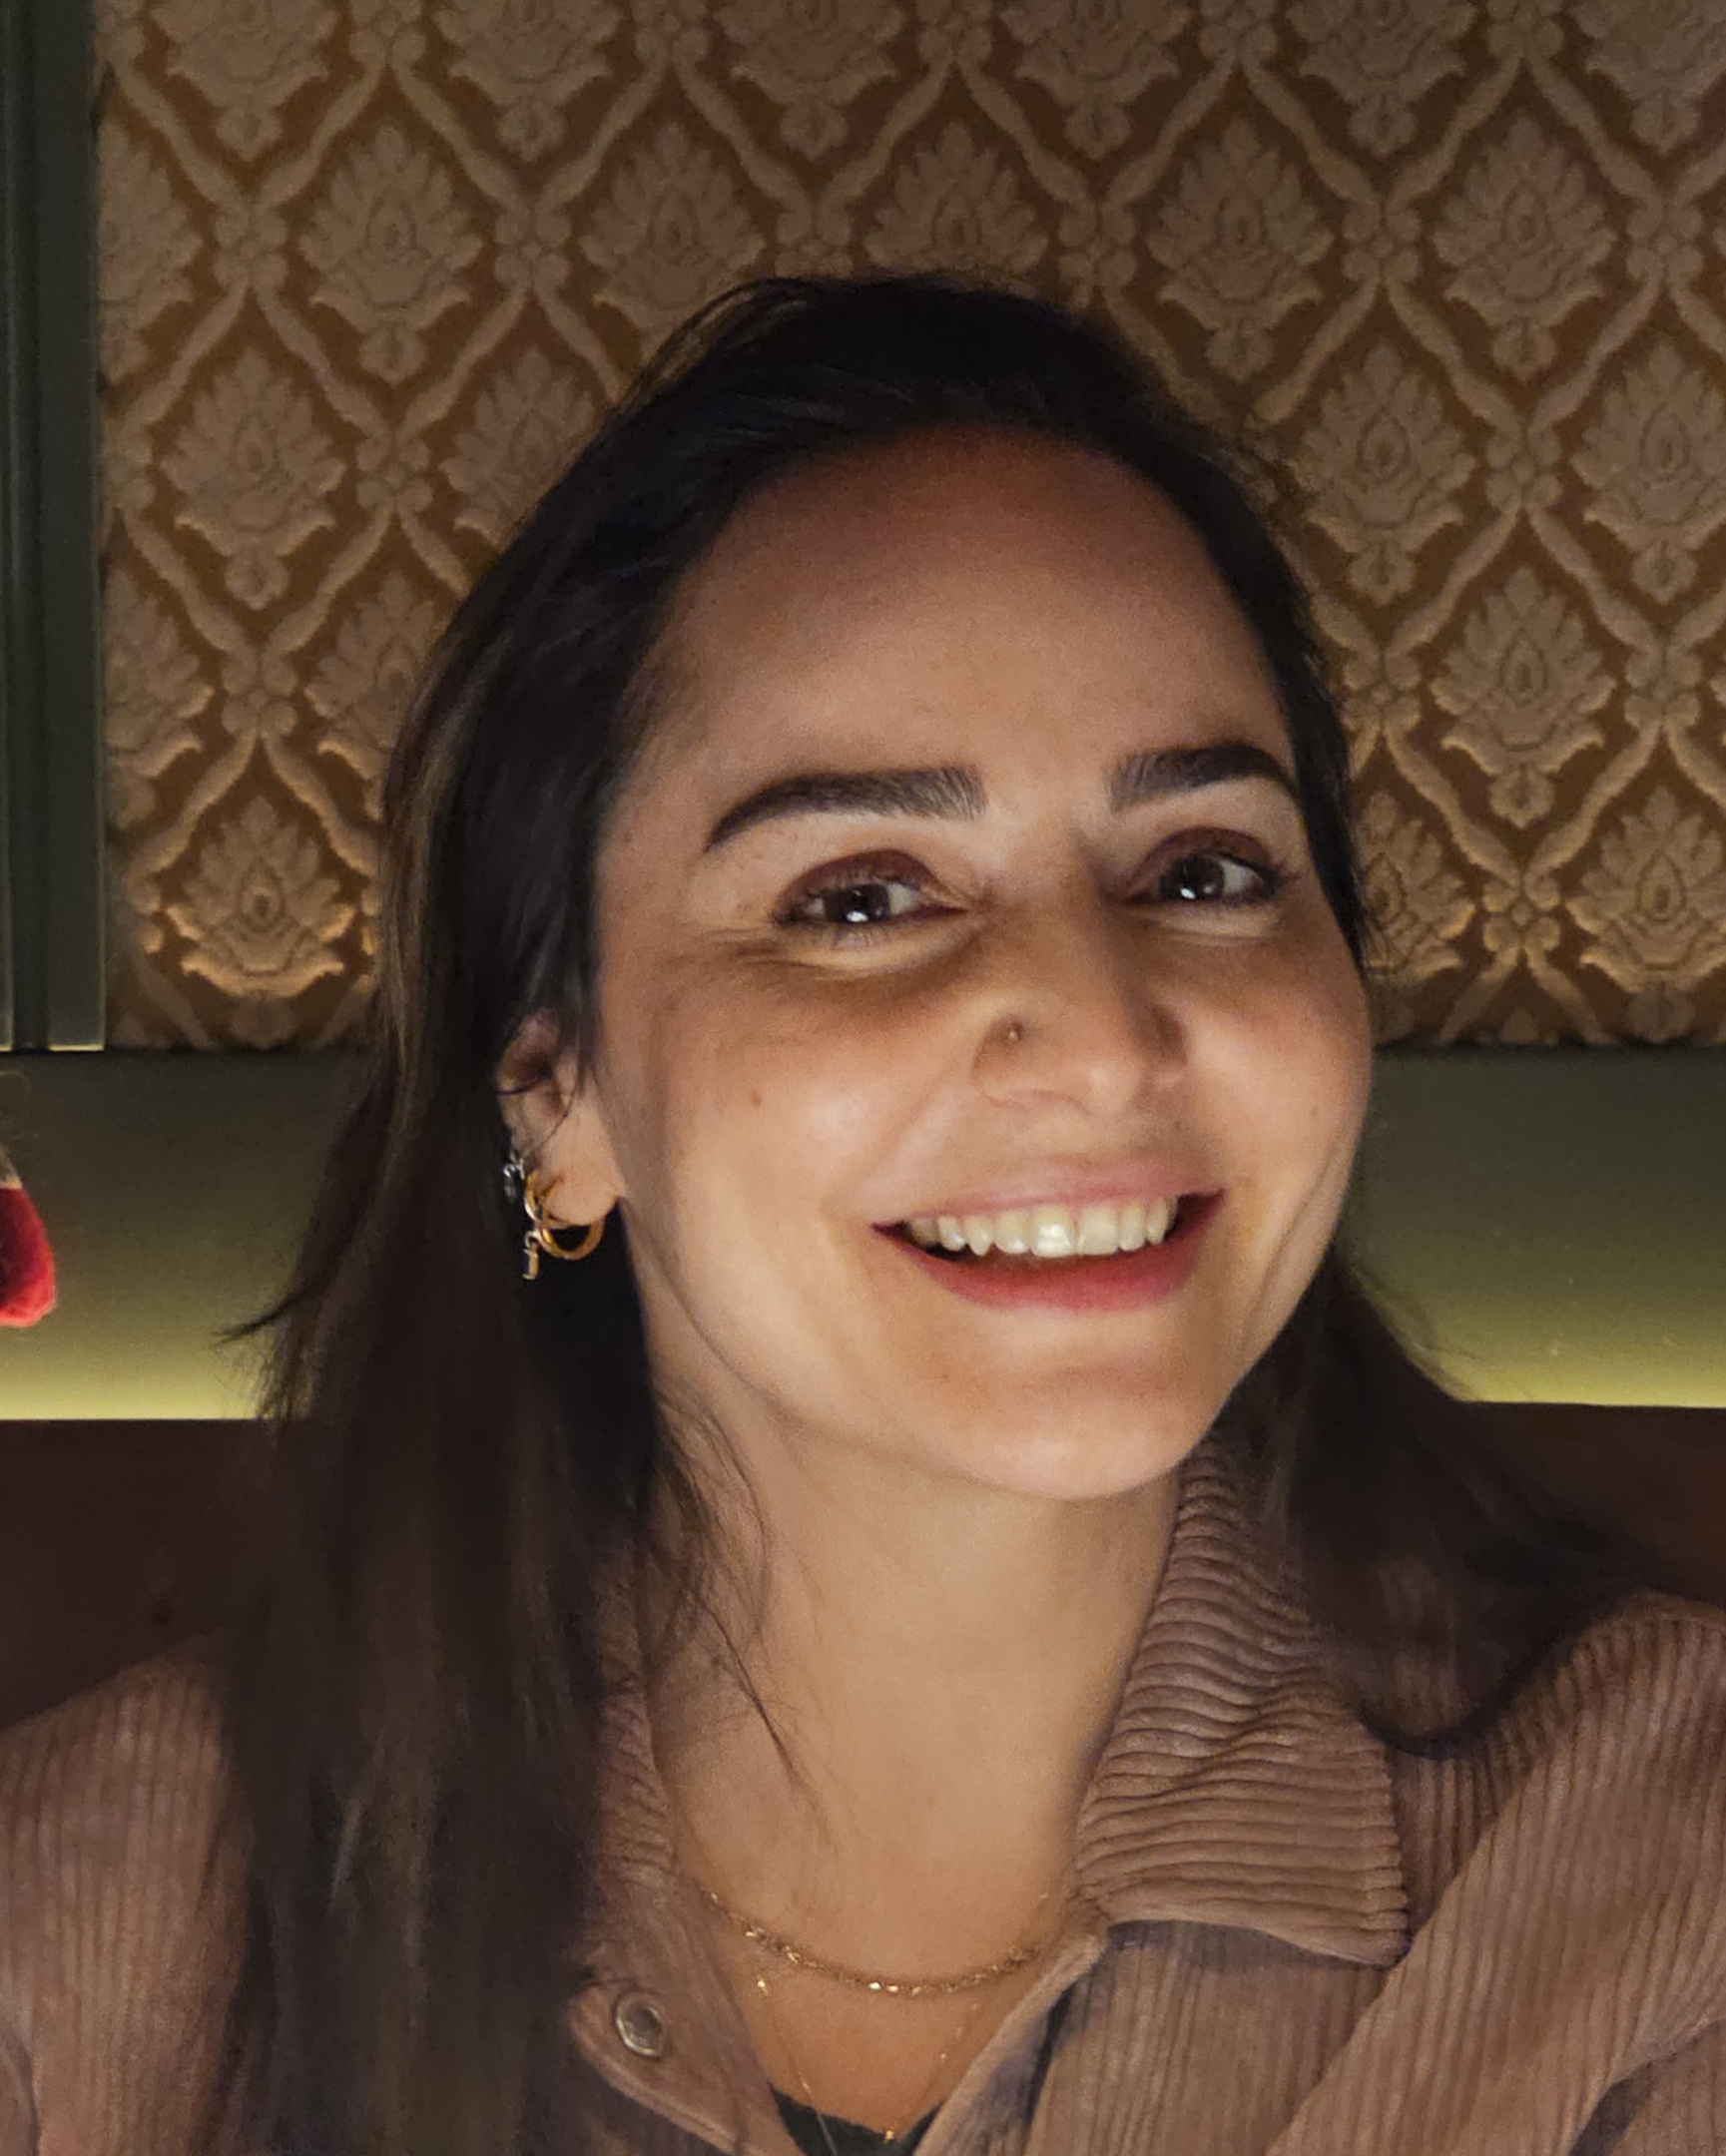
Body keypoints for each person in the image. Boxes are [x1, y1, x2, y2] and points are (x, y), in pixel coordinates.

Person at [1, 273, 1722, 2156]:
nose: (1100, 1042)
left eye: (1203, 869)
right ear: (558, 1093)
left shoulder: (1662, 1878)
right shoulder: (83, 1933)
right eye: (858, 899)